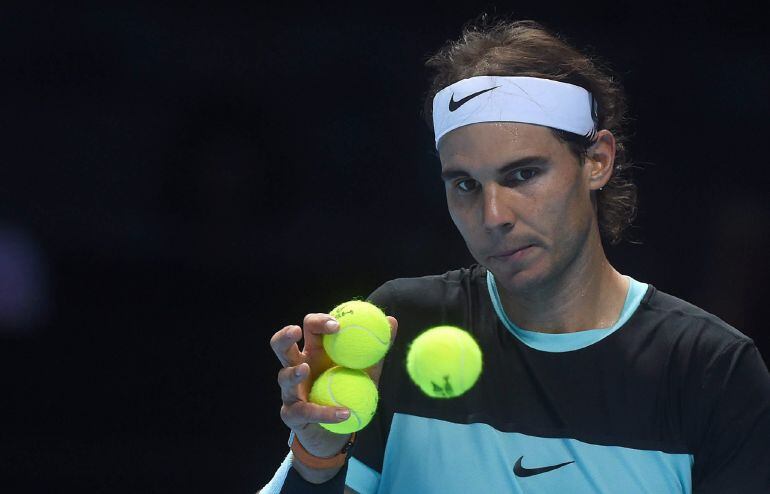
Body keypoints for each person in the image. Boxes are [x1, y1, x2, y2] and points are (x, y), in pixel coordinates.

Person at [260, 17, 770, 494]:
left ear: (597, 161)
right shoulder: (401, 325)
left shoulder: (710, 371)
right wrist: (317, 459)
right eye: (465, 184)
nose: (493, 215)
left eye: (522, 174)